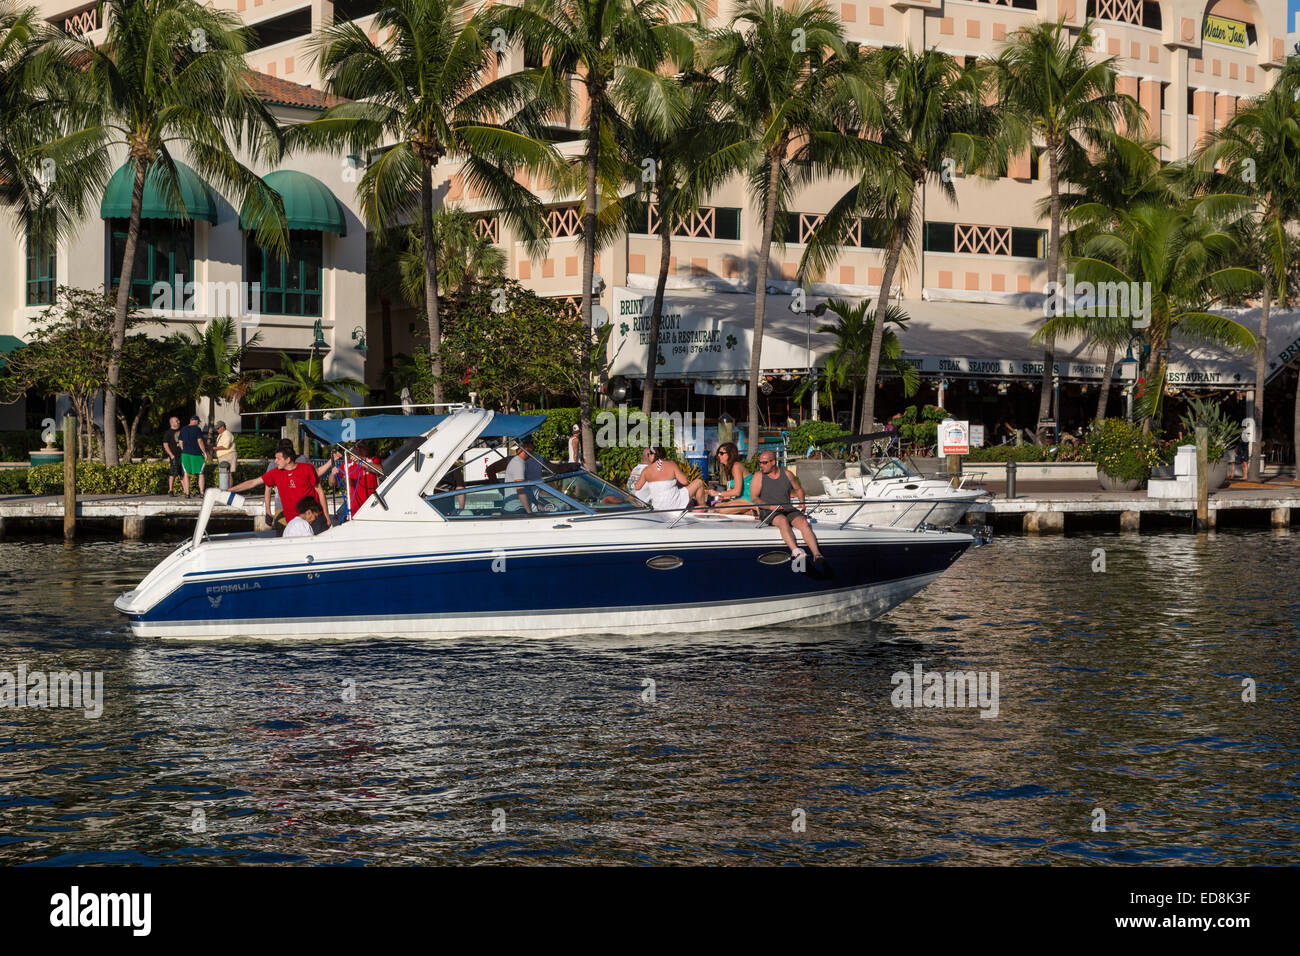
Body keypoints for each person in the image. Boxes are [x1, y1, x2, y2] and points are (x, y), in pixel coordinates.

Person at [231, 444, 329, 535]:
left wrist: (326, 516)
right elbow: (253, 482)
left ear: (288, 459)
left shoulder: (307, 469)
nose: (275, 461)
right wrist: (231, 490)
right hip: (294, 522)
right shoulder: (275, 473)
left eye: (278, 458)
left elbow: (320, 491)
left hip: (315, 518)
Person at [750, 451, 825, 565]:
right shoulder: (758, 476)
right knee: (783, 521)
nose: (761, 465)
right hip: (768, 510)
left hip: (787, 508)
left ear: (773, 462)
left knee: (803, 522)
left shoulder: (787, 474)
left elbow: (798, 489)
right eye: (760, 462)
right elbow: (754, 498)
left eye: (764, 463)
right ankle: (796, 552)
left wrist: (802, 502)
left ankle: (817, 554)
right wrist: (771, 506)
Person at [633, 446, 705, 511]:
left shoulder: (646, 470)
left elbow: (637, 487)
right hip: (674, 504)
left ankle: (698, 508)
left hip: (658, 507)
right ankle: (702, 507)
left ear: (652, 455)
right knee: (699, 482)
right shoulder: (671, 464)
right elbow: (685, 481)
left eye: (649, 455)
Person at [708, 441, 753, 514]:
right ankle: (747, 511)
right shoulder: (727, 468)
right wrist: (723, 498)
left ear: (730, 454)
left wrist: (718, 493)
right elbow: (730, 491)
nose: (719, 455)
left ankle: (752, 510)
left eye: (722, 453)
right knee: (716, 506)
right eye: (718, 453)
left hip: (749, 498)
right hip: (741, 499)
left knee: (723, 510)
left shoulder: (736, 466)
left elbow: (737, 492)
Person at [502, 437, 543, 513]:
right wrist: (529, 512)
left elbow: (526, 488)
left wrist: (536, 503)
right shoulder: (518, 463)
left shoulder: (521, 462)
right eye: (531, 444)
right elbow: (520, 489)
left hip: (518, 506)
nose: (533, 447)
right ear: (525, 447)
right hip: (516, 509)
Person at [177, 415, 208, 498]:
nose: (198, 423)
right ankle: (201, 493)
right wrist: (204, 452)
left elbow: (180, 441)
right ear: (195, 421)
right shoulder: (197, 429)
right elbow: (200, 441)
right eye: (198, 422)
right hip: (196, 454)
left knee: (186, 473)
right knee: (201, 473)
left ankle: (187, 493)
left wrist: (184, 449)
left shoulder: (183, 429)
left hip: (185, 454)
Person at [162, 416, 184, 496]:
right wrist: (171, 455)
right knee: (173, 473)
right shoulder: (168, 433)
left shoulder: (182, 431)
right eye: (176, 421)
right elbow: (165, 445)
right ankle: (170, 490)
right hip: (174, 456)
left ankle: (186, 491)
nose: (179, 422)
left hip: (182, 455)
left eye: (178, 420)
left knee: (183, 473)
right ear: (172, 423)